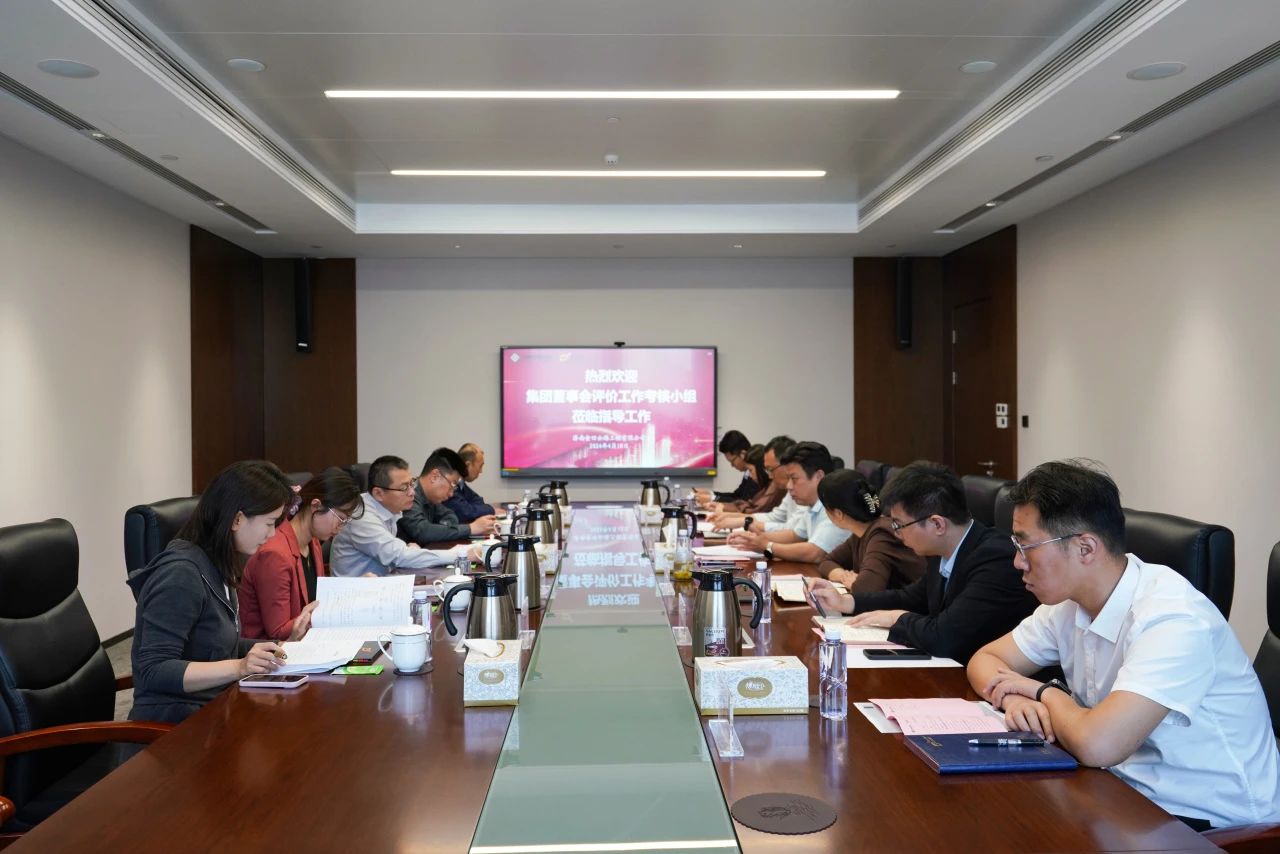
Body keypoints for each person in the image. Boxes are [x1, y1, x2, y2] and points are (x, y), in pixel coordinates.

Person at [968, 461, 1280, 830]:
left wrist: (1043, 692)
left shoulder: (1174, 618)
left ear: (1086, 548)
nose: (1018, 562)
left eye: (1027, 546)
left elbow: (1098, 745)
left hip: (1211, 819)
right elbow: (985, 660)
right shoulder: (1069, 605)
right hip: (1121, 787)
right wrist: (1015, 699)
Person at [128, 460, 309, 724]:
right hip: (174, 724)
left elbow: (217, 644)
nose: (272, 534)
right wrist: (240, 667)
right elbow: (153, 671)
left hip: (215, 706)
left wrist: (278, 648)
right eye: (270, 523)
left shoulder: (218, 562)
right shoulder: (181, 575)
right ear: (237, 519)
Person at [809, 460, 1036, 662]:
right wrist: (845, 602)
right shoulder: (942, 550)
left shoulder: (996, 559)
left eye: (899, 525)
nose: (896, 533)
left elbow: (944, 636)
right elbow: (911, 598)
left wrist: (898, 618)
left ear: (937, 524)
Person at [239, 467, 364, 641]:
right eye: (341, 518)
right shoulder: (275, 554)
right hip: (271, 651)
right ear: (316, 505)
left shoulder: (313, 541)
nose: (341, 527)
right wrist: (326, 612)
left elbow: (316, 600)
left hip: (305, 642)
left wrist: (357, 590)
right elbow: (278, 631)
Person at [329, 455, 470, 577]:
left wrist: (408, 552)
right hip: (355, 595)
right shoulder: (362, 517)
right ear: (378, 493)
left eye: (412, 483)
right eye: (404, 487)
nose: (412, 492)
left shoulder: (390, 508)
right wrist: (457, 554)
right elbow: (399, 556)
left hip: (381, 584)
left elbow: (396, 554)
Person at [727, 441, 850, 563]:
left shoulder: (835, 505)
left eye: (794, 478)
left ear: (819, 476)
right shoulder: (813, 504)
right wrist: (755, 538)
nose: (789, 486)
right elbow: (794, 535)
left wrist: (767, 546)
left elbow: (815, 553)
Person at [815, 469, 926, 595]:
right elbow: (826, 562)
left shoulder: (882, 535)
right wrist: (843, 576)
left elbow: (864, 591)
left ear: (838, 513)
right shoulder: (861, 532)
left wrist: (857, 583)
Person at [399, 447, 495, 545]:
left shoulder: (432, 498)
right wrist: (470, 528)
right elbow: (423, 532)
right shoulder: (409, 494)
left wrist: (442, 530)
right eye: (452, 484)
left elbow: (449, 515)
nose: (451, 493)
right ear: (435, 476)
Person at [709, 435, 798, 531]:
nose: (770, 476)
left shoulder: (781, 488)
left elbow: (794, 532)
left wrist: (745, 523)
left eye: (770, 469)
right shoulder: (789, 490)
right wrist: (739, 520)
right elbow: (773, 517)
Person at [707, 445, 784, 515]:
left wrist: (721, 506)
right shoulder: (765, 486)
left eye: (751, 470)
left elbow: (755, 510)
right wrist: (721, 505)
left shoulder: (775, 486)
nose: (750, 475)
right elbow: (748, 504)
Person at [694, 429, 760, 507]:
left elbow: (744, 502)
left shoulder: (757, 471)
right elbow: (737, 496)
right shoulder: (748, 471)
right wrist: (711, 494)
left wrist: (713, 499)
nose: (732, 465)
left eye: (732, 461)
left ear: (743, 454)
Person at [444, 442, 505, 524]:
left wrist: (483, 509)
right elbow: (466, 512)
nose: (481, 471)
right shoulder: (450, 483)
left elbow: (477, 500)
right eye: (480, 466)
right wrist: (491, 510)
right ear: (468, 465)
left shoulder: (460, 482)